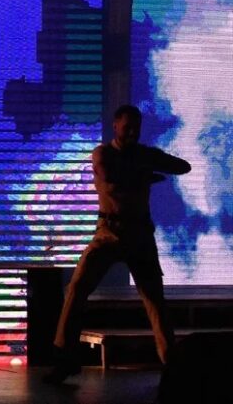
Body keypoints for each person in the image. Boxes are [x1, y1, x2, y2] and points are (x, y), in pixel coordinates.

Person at [44, 104, 191, 385]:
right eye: (128, 128)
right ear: (115, 126)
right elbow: (109, 178)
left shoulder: (144, 154)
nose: (133, 133)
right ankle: (64, 360)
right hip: (108, 233)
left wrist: (151, 162)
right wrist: (144, 174)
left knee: (154, 301)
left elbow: (183, 167)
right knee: (76, 289)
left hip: (139, 235)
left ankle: (172, 365)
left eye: (137, 128)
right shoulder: (103, 153)